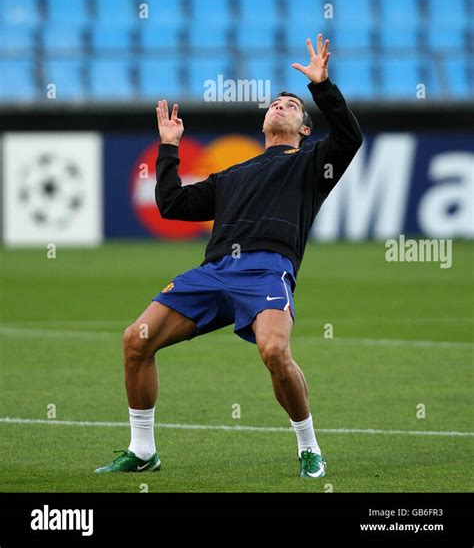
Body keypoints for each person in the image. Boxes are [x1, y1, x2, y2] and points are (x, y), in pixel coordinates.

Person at [95, 35, 363, 478]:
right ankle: (142, 451)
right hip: (214, 272)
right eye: (277, 102)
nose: (281, 104)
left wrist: (321, 86)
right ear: (264, 122)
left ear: (305, 129)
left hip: (266, 271)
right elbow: (172, 205)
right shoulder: (231, 175)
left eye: (292, 105)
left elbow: (350, 136)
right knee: (135, 340)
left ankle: (309, 447)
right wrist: (168, 147)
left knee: (275, 350)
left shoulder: (314, 165)